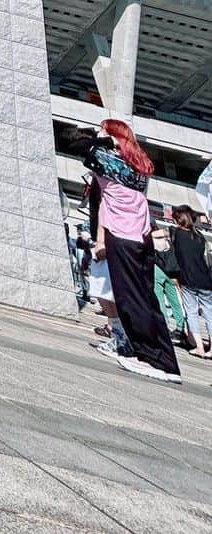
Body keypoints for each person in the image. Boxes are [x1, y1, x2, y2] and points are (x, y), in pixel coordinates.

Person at [73, 120, 181, 383]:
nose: (97, 133)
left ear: (112, 136)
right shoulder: (138, 164)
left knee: (131, 300)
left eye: (102, 129)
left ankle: (151, 359)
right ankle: (165, 359)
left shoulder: (107, 159)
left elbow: (77, 145)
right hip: (141, 238)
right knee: (146, 299)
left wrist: (103, 140)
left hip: (122, 237)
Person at [164, 205, 212, 359]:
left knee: (191, 313)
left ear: (178, 219)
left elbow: (156, 235)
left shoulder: (175, 233)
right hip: (205, 280)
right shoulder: (200, 237)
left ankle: (199, 347)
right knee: (209, 314)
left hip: (188, 280)